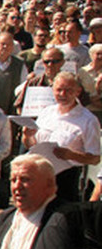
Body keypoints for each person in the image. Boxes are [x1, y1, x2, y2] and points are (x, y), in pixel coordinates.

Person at [24, 72, 100, 202]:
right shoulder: (47, 112)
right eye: (59, 90)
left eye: (68, 90)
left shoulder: (88, 120)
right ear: (53, 90)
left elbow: (95, 159)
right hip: (40, 174)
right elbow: (33, 145)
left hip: (66, 179)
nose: (62, 94)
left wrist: (71, 155)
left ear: (78, 91)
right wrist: (27, 136)